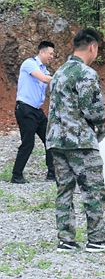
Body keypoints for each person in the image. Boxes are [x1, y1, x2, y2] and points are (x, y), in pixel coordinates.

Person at [46, 28, 105, 253]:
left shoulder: (58, 73)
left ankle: (66, 241)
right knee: (93, 190)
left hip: (57, 142)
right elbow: (92, 109)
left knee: (64, 191)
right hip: (80, 143)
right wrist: (103, 122)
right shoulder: (85, 73)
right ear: (92, 47)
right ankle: (96, 239)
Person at [11, 41, 56, 183]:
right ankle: (16, 175)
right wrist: (63, 79)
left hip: (37, 111)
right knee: (28, 143)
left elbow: (49, 81)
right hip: (25, 108)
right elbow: (43, 79)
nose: (52, 57)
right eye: (50, 54)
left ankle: (52, 172)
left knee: (50, 138)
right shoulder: (29, 64)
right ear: (41, 52)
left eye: (53, 55)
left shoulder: (46, 71)